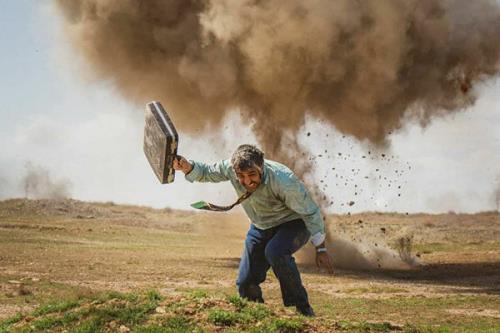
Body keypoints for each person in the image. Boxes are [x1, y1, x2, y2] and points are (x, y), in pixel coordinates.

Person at [173, 144, 333, 316]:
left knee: (275, 251)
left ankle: (303, 309)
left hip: (293, 223)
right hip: (261, 226)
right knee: (245, 283)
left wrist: (321, 248)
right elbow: (207, 172)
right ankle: (257, 314)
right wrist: (187, 167)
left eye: (252, 175)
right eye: (240, 176)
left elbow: (310, 212)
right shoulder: (230, 167)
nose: (247, 181)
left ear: (261, 168)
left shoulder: (284, 180)